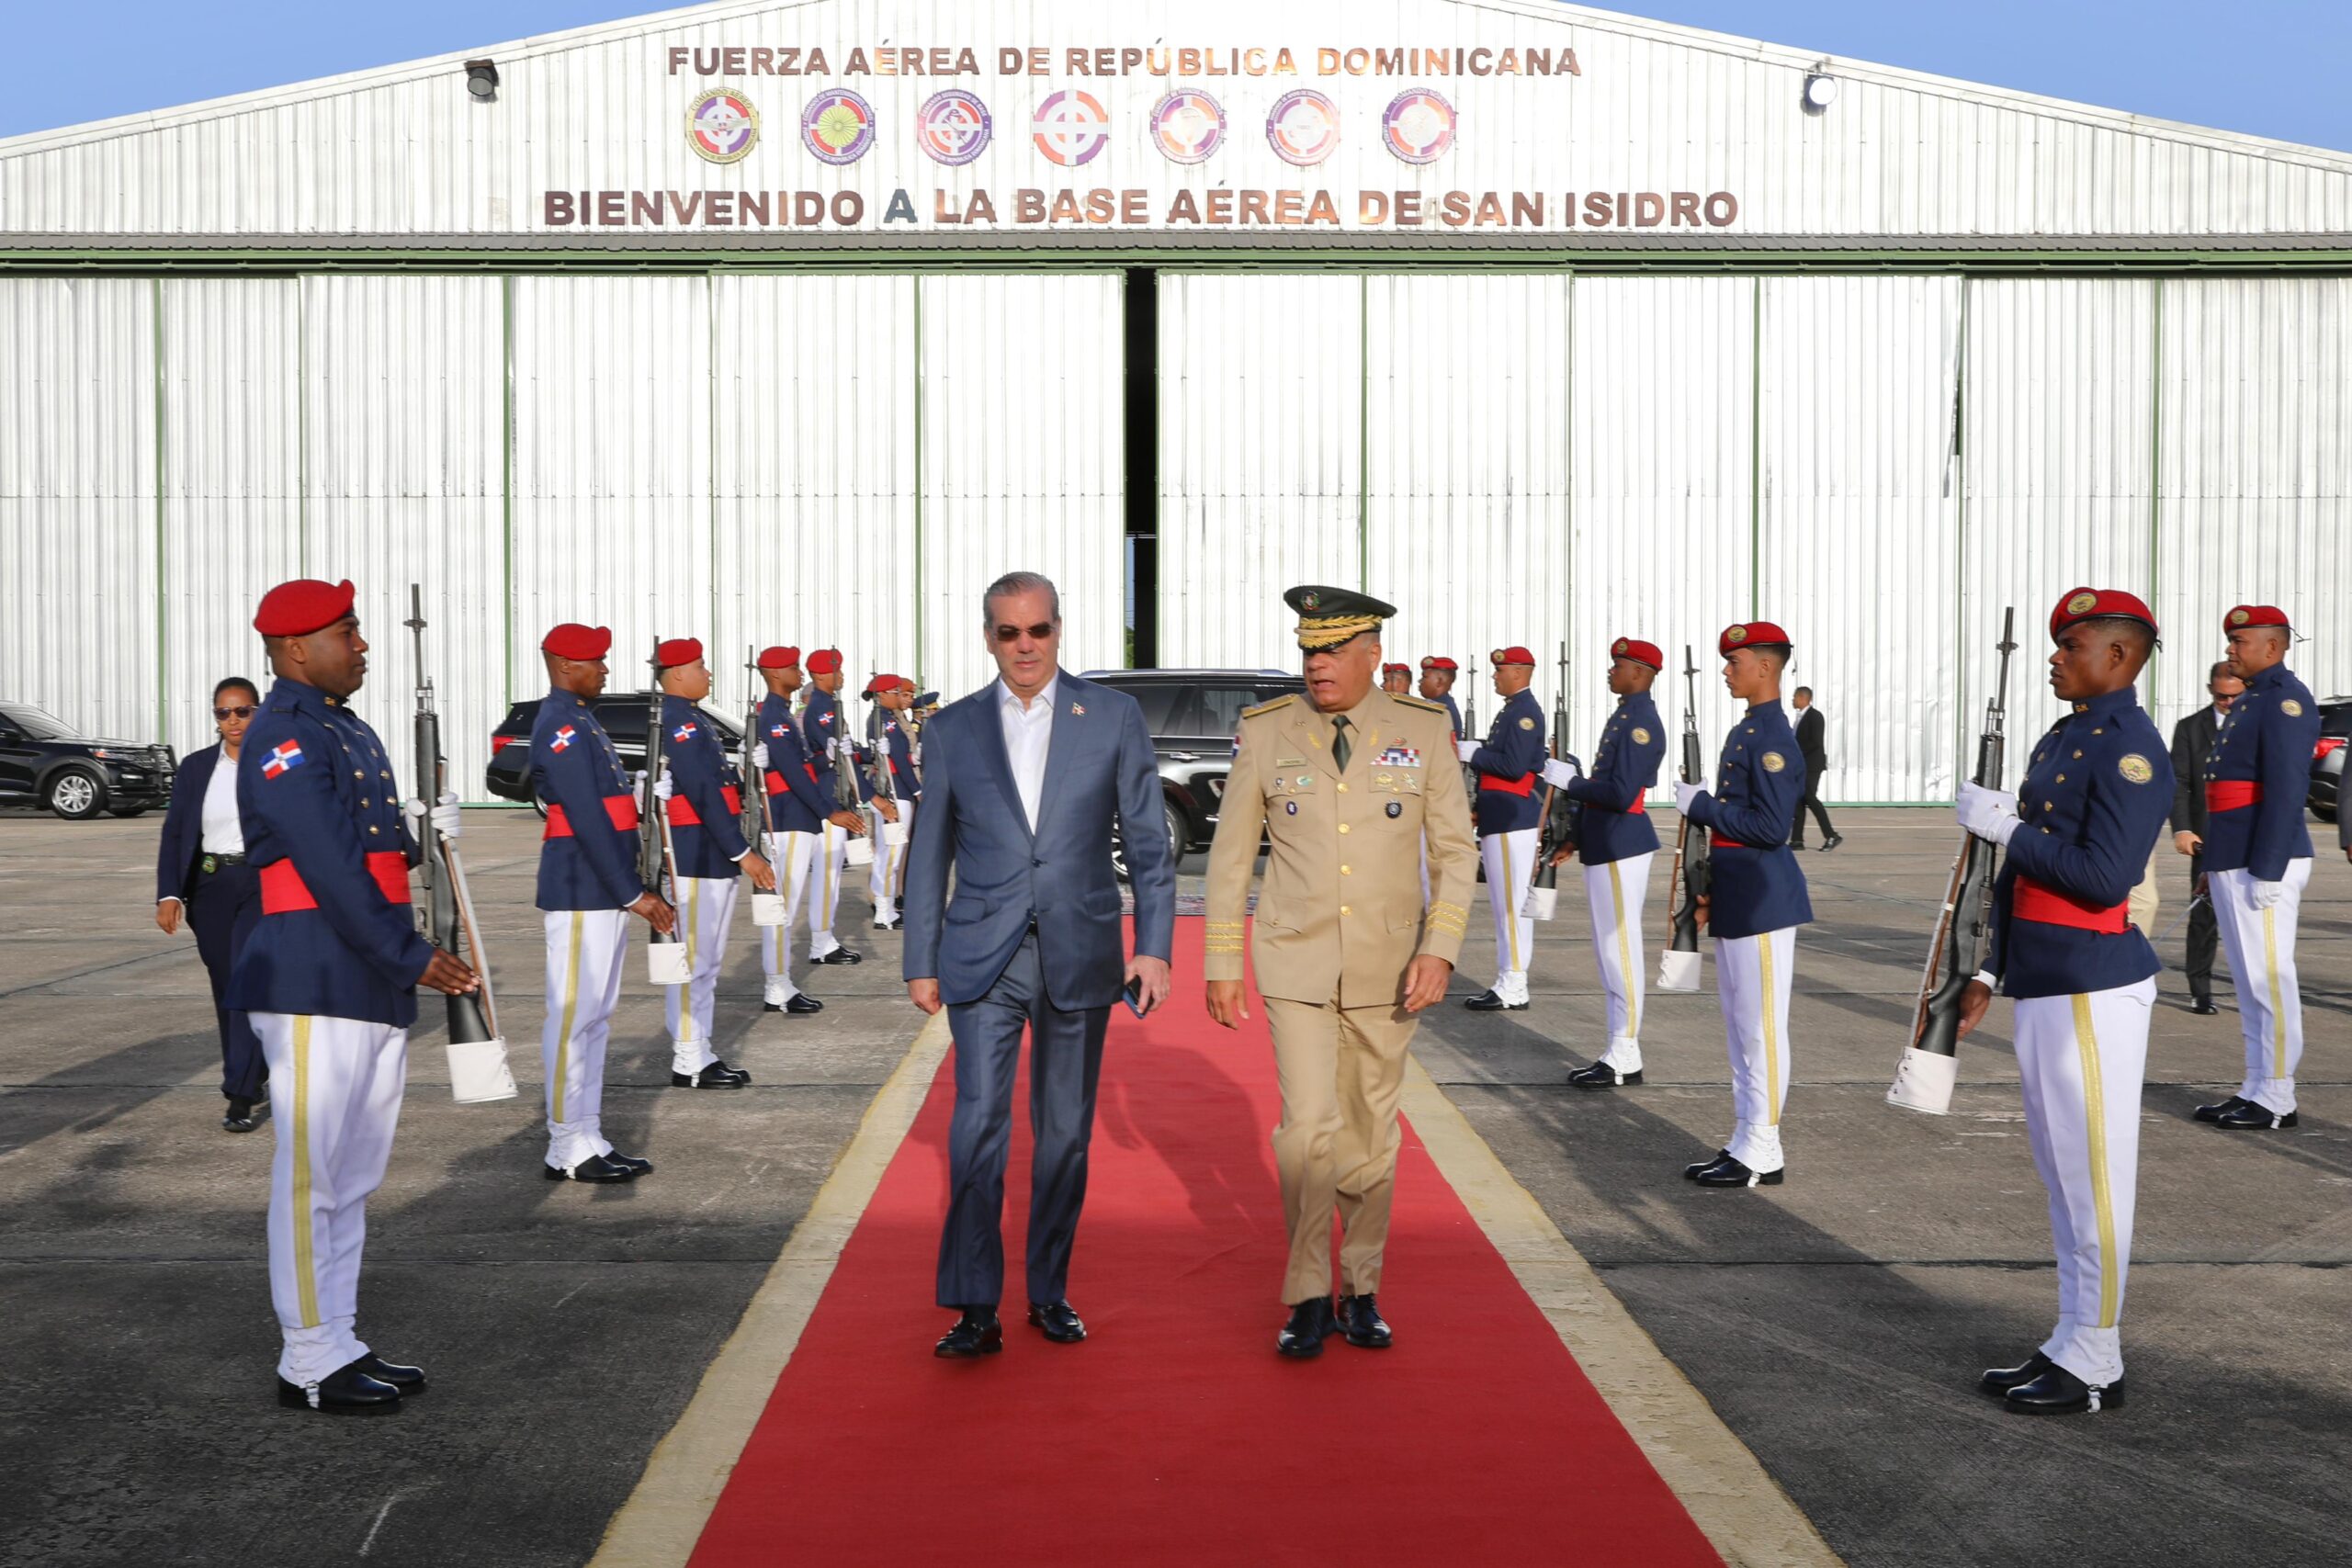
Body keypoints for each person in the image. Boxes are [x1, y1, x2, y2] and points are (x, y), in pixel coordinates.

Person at [902, 571, 1175, 1357]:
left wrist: (1152, 946)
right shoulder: (951, 728)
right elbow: (929, 853)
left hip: (1081, 951)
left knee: (1064, 1136)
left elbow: (1149, 843)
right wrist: (920, 957)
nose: (1025, 646)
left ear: (1059, 628)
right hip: (981, 955)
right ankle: (975, 1304)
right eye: (1008, 632)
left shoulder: (1113, 716)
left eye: (1038, 630)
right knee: (976, 1129)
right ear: (988, 636)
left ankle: (1048, 1289)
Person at [1204, 584, 1476, 1357]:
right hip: (1295, 958)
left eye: (1331, 650)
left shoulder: (1422, 731)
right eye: (1308, 651)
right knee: (1306, 1131)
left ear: (1371, 654)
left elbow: (1456, 852)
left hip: (1392, 963)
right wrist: (1222, 958)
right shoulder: (1267, 730)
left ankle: (1361, 1285)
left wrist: (1440, 946)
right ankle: (1307, 1293)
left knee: (1369, 1134)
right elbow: (1229, 857)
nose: (1317, 665)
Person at [228, 578, 478, 1413]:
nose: (362, 645)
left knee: (355, 1172)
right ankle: (307, 1355)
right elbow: (330, 865)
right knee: (313, 1176)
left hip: (361, 971)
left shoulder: (344, 725)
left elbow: (378, 851)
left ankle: (338, 1334)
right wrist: (409, 953)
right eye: (348, 632)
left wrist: (429, 831)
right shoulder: (286, 735)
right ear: (297, 648)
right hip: (314, 972)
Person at [1954, 586, 2172, 1415]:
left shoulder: (2129, 747)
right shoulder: (2068, 733)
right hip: (2046, 975)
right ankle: (2072, 1335)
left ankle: (2097, 1358)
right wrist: (1990, 971)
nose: (2055, 657)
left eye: (2072, 645)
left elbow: (2102, 876)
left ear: (2118, 656)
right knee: (2061, 1173)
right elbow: (2017, 880)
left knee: (2094, 1178)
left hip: (2091, 980)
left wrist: (2008, 827)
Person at [528, 623, 676, 1181]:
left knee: (595, 1018)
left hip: (600, 888)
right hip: (581, 889)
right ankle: (565, 1142)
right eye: (596, 661)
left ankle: (586, 1132)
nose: (605, 670)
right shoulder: (562, 724)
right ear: (566, 665)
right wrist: (632, 893)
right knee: (573, 1017)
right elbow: (587, 818)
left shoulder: (580, 719)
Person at [1674, 621, 1813, 1188]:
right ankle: (1747, 1137)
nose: (1727, 672)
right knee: (1739, 1028)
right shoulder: (1748, 729)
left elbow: (1771, 828)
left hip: (1763, 897)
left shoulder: (1774, 737)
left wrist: (1703, 807)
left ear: (1766, 668)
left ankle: (1765, 1147)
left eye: (1736, 663)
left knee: (1761, 1031)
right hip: (1738, 891)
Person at [2194, 604, 2321, 1132]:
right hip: (2235, 856)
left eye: (2240, 641)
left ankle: (2276, 1096)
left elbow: (2288, 790)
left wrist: (2267, 869)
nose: (2230, 649)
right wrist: (2211, 863)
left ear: (2273, 647)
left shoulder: (2286, 701)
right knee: (2249, 981)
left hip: (2261, 860)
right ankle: (2256, 1084)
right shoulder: (2255, 700)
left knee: (2269, 979)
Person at [1543, 637, 1668, 1089]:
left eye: (1617, 665)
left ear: (1639, 671)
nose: (1610, 671)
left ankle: (1625, 1053)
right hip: (1604, 842)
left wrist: (1570, 782)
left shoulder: (1641, 723)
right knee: (1608, 952)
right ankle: (1619, 1047)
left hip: (1621, 846)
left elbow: (1617, 792)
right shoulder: (1625, 716)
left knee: (1620, 953)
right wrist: (1574, 837)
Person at [653, 637, 776, 1089]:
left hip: (710, 852)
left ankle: (698, 1049)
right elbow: (703, 794)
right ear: (678, 673)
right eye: (701, 666)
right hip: (696, 853)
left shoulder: (692, 718)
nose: (708, 674)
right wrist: (743, 854)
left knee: (706, 961)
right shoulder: (678, 722)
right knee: (693, 960)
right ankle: (688, 1055)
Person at [156, 676, 269, 1132]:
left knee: (246, 978)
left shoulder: (274, 763)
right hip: (211, 886)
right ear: (215, 718)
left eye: (242, 711)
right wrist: (168, 893)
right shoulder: (197, 767)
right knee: (227, 987)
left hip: (262, 882)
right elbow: (177, 833)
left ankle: (239, 1093)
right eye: (223, 713)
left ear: (257, 712)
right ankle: (253, 1070)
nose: (233, 720)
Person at [750, 646, 864, 1013]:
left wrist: (826, 754)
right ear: (772, 674)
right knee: (781, 907)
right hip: (787, 819)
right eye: (792, 668)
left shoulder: (783, 713)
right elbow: (791, 771)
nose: (799, 674)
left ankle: (780, 981)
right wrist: (828, 811)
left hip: (798, 817)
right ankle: (777, 985)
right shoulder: (774, 716)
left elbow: (803, 762)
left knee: (787, 905)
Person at [1458, 647, 1545, 1010]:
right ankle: (1508, 978)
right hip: (1500, 817)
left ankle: (1514, 983)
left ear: (1520, 673)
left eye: (1501, 670)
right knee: (1502, 904)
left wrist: (1474, 753)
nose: (1496, 676)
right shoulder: (1512, 710)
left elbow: (1513, 766)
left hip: (1513, 819)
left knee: (1510, 905)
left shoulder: (1525, 713)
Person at [800, 649, 867, 963]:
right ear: (821, 675)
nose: (841, 676)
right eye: (837, 671)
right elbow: (833, 756)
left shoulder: (830, 705)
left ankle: (825, 938)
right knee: (827, 873)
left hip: (837, 793)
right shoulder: (821, 708)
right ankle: (821, 942)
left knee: (833, 874)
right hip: (829, 795)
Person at [863, 674, 914, 930]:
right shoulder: (886, 722)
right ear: (883, 694)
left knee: (889, 854)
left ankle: (887, 907)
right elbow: (900, 761)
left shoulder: (883, 719)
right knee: (891, 854)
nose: (898, 695)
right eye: (895, 691)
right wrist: (917, 790)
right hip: (896, 790)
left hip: (892, 788)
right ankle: (884, 911)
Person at [1789, 686, 1842, 851]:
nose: (1792, 700)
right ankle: (1797, 840)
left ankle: (1831, 835)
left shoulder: (1815, 716)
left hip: (1812, 765)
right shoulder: (1799, 718)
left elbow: (1815, 742)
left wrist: (1797, 753)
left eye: (1794, 697)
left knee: (1810, 798)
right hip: (1801, 766)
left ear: (1803, 698)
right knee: (1798, 800)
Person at [1419, 655, 1464, 739]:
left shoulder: (1441, 711)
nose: (1420, 681)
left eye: (1425, 677)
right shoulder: (1439, 705)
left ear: (1439, 682)